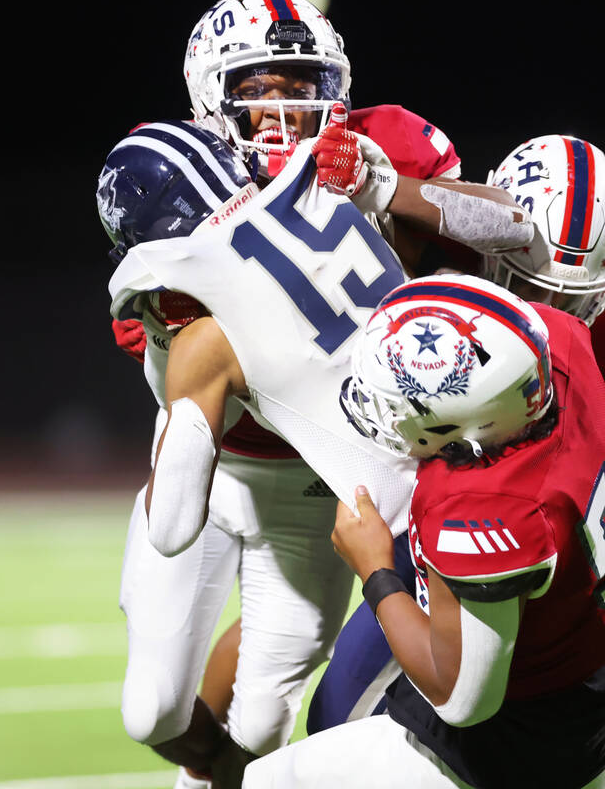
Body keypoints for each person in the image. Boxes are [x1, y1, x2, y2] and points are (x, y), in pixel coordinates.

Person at [106, 102, 531, 786]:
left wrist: (179, 351)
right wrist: (381, 192)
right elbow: (518, 226)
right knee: (161, 712)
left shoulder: (200, 329)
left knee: (303, 728)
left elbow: (169, 523)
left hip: (366, 498)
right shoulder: (321, 177)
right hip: (455, 443)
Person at [304, 133, 605, 788]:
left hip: (494, 506)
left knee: (352, 716)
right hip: (467, 484)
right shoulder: (459, 237)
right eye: (531, 284)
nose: (555, 314)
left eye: (580, 299)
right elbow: (465, 216)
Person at [240, 273, 605, 789]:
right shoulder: (557, 346)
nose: (382, 412)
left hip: (546, 736)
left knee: (268, 782)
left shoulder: (489, 506)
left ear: (464, 427)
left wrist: (375, 571)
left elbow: (462, 698)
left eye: (396, 403)